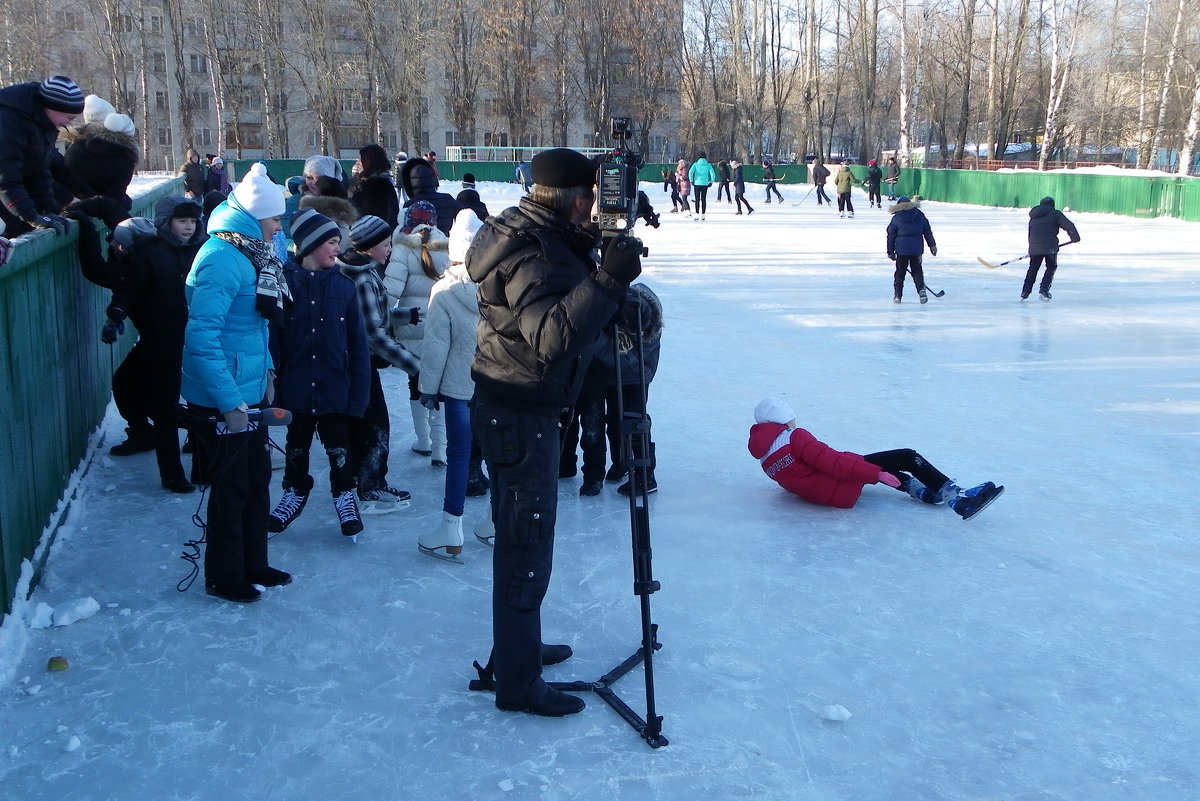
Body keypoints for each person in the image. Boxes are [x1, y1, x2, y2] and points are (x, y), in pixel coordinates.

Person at [467, 147, 640, 717]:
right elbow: (551, 336)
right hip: (520, 413)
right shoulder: (538, 254)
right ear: (575, 199)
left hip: (518, 405)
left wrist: (601, 265)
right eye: (594, 197)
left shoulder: (535, 235)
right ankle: (517, 683)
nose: (600, 207)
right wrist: (609, 281)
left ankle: (516, 648)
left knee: (521, 540)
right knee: (526, 545)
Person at [182, 161, 291, 603]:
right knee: (231, 488)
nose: (278, 227)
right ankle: (224, 576)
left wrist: (266, 373)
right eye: (274, 219)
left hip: (247, 388)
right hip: (223, 397)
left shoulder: (251, 253)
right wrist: (229, 402)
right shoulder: (222, 259)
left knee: (257, 479)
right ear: (253, 218)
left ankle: (254, 562)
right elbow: (202, 337)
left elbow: (254, 327)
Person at [266, 208, 370, 538]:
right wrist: (273, 391)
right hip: (295, 389)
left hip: (334, 389)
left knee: (339, 448)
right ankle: (295, 491)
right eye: (332, 242)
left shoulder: (344, 288)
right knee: (296, 446)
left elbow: (358, 348)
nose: (338, 249)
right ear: (309, 245)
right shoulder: (285, 284)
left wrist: (358, 398)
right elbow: (274, 342)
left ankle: (344, 494)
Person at [748, 398, 1004, 520]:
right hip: (841, 485)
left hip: (829, 494)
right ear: (783, 418)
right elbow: (831, 462)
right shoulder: (794, 437)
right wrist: (873, 473)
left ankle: (929, 494)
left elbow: (806, 476)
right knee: (906, 457)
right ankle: (958, 500)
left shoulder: (765, 457)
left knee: (888, 468)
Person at [104, 196, 207, 491]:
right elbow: (129, 288)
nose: (188, 227)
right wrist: (116, 314)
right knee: (155, 401)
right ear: (166, 221)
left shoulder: (203, 250)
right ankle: (171, 472)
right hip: (160, 338)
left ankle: (203, 464)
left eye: (192, 221)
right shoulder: (149, 252)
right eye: (182, 221)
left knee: (200, 402)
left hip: (197, 338)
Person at [338, 215, 420, 513]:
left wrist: (405, 315)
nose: (389, 249)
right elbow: (373, 334)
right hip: (357, 364)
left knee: (364, 424)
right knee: (374, 426)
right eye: (385, 244)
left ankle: (363, 480)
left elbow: (374, 315)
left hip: (356, 363)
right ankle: (369, 486)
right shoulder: (360, 277)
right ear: (369, 247)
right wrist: (414, 366)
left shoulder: (362, 269)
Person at [417, 209, 485, 560]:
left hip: (460, 388)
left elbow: (435, 347)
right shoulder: (500, 284)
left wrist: (428, 388)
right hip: (495, 385)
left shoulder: (443, 290)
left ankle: (451, 526)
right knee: (498, 455)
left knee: (459, 456)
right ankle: (496, 519)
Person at [386, 201, 449, 466]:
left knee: (416, 383)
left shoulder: (402, 247)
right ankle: (439, 448)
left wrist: (381, 317)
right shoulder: (447, 244)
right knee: (440, 386)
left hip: (412, 325)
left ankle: (423, 440)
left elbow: (390, 289)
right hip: (440, 324)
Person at [0, 75, 85, 238]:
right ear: (52, 107)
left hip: (10, 188)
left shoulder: (42, 123)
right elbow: (6, 177)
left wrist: (47, 210)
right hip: (5, 190)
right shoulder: (8, 121)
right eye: (70, 117)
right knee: (18, 234)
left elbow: (38, 170)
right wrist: (31, 216)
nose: (70, 123)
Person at [63, 112, 138, 211]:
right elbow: (115, 198)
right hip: (93, 209)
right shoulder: (125, 162)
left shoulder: (77, 146)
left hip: (62, 206)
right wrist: (127, 203)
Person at [1022, 196, 1080, 302]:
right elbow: (1069, 225)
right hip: (1050, 247)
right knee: (1051, 267)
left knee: (1033, 268)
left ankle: (1025, 291)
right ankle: (1044, 290)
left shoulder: (1033, 216)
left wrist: (1032, 249)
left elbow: (1030, 233)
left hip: (1034, 247)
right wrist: (1075, 237)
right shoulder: (1055, 213)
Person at [886, 196, 937, 304]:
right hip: (916, 249)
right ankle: (921, 291)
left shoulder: (896, 218)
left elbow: (890, 236)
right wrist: (932, 245)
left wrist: (890, 252)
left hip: (901, 251)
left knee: (900, 273)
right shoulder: (919, 215)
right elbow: (927, 231)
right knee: (917, 271)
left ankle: (897, 295)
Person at [399, 156, 461, 235]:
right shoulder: (447, 200)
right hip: (444, 245)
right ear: (433, 178)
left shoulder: (410, 205)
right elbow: (467, 218)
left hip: (418, 246)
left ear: (409, 183)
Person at [349, 144, 400, 228]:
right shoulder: (380, 183)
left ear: (369, 162)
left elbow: (374, 219)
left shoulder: (375, 186)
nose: (357, 163)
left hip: (371, 237)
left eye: (360, 159)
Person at [688, 152, 718, 220]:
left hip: (697, 184)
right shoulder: (708, 165)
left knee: (697, 199)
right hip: (705, 184)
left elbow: (690, 172)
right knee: (703, 199)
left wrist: (691, 180)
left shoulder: (695, 164)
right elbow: (712, 174)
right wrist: (711, 181)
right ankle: (703, 215)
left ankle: (697, 215)